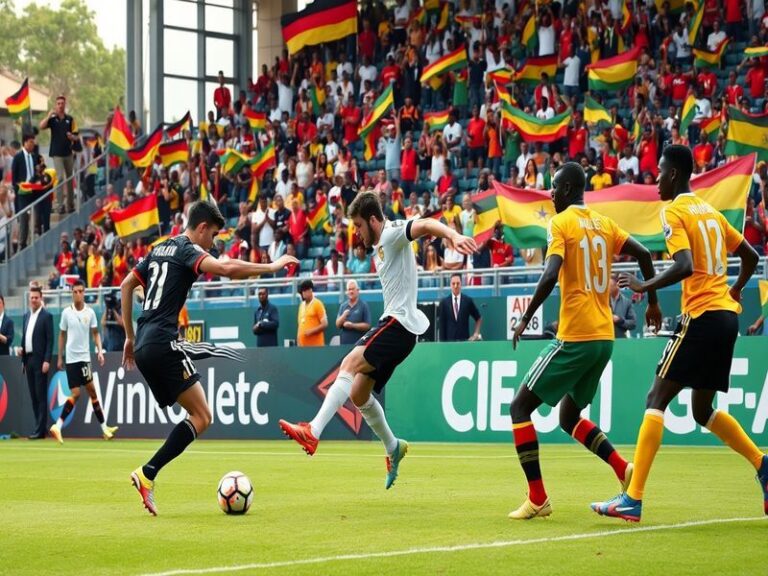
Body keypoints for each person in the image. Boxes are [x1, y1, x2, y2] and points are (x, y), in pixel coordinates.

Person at [592, 145, 768, 522]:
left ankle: (633, 498)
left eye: (659, 172)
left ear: (673, 174)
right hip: (726, 318)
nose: (656, 180)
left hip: (702, 316)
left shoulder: (673, 211)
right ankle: (763, 464)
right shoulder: (711, 212)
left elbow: (685, 265)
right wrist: (736, 289)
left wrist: (644, 285)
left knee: (655, 397)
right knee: (702, 410)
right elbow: (751, 257)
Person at [279, 191, 476, 489]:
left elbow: (424, 224)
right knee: (358, 394)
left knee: (348, 362)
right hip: (400, 328)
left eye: (359, 225)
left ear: (373, 220)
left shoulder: (394, 233)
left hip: (399, 324)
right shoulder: (380, 244)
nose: (357, 233)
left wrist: (453, 235)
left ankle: (313, 431)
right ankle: (393, 447)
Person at [121, 201, 297, 515]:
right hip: (162, 342)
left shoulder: (158, 249)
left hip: (144, 346)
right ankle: (147, 473)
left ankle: (148, 473)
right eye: (213, 235)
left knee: (198, 414)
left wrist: (129, 337)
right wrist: (271, 267)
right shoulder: (187, 250)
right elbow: (227, 269)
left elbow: (126, 285)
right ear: (201, 227)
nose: (213, 243)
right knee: (202, 416)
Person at [508, 162, 661, 520]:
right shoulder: (604, 223)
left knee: (519, 408)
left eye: (554, 186)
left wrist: (526, 316)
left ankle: (537, 498)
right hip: (604, 338)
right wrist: (653, 302)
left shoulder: (560, 223)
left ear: (566, 190)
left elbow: (550, 272)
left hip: (575, 336)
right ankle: (624, 469)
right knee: (569, 416)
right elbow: (644, 254)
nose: (550, 192)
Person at [49, 280, 117, 443]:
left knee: (92, 393)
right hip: (72, 360)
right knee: (77, 394)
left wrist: (99, 351)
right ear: (72, 293)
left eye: (80, 291)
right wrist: (60, 357)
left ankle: (104, 429)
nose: (78, 294)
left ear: (84, 293)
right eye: (75, 291)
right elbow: (62, 335)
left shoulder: (90, 312)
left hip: (85, 359)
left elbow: (95, 333)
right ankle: (58, 426)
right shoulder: (66, 313)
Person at [20, 286, 54, 439]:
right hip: (29, 360)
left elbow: (50, 340)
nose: (33, 300)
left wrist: (47, 360)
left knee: (41, 396)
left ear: (41, 298)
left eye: (36, 297)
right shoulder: (26, 316)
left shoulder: (47, 316)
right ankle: (39, 428)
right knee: (34, 396)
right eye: (32, 297)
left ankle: (40, 431)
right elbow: (24, 339)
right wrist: (23, 360)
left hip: (40, 361)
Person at [39, 95, 78, 213]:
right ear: (56, 105)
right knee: (60, 178)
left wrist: (72, 137)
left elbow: (76, 136)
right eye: (58, 103)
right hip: (57, 154)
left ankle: (70, 204)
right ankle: (60, 205)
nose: (60, 106)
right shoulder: (52, 119)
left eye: (62, 103)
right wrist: (49, 115)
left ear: (65, 105)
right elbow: (41, 126)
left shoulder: (70, 119)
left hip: (68, 153)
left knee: (70, 178)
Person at [11, 133, 40, 250]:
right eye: (31, 142)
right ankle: (22, 242)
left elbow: (37, 172)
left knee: (37, 212)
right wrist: (17, 189)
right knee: (24, 217)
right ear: (25, 142)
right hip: (23, 191)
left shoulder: (34, 157)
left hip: (33, 189)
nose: (33, 144)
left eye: (34, 142)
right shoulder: (18, 157)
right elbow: (14, 176)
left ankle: (36, 233)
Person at [438, 273, 483, 341]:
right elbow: (442, 325)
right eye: (453, 283)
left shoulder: (468, 301)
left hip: (464, 342)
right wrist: (442, 344)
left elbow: (479, 318)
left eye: (458, 283)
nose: (455, 286)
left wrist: (476, 334)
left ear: (461, 284)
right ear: (450, 285)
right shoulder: (444, 303)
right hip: (449, 343)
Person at [336, 279, 371, 345]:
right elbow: (337, 324)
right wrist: (343, 316)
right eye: (349, 289)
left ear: (357, 290)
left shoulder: (364, 305)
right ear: (346, 292)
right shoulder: (343, 306)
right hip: (344, 345)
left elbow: (367, 325)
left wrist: (352, 325)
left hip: (359, 344)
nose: (351, 291)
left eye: (353, 289)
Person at [297, 279, 327, 347]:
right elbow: (300, 325)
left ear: (310, 290)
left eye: (304, 291)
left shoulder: (318, 304)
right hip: (303, 347)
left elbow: (325, 324)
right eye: (301, 292)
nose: (303, 293)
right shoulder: (301, 305)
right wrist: (298, 340)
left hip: (316, 346)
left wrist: (311, 331)